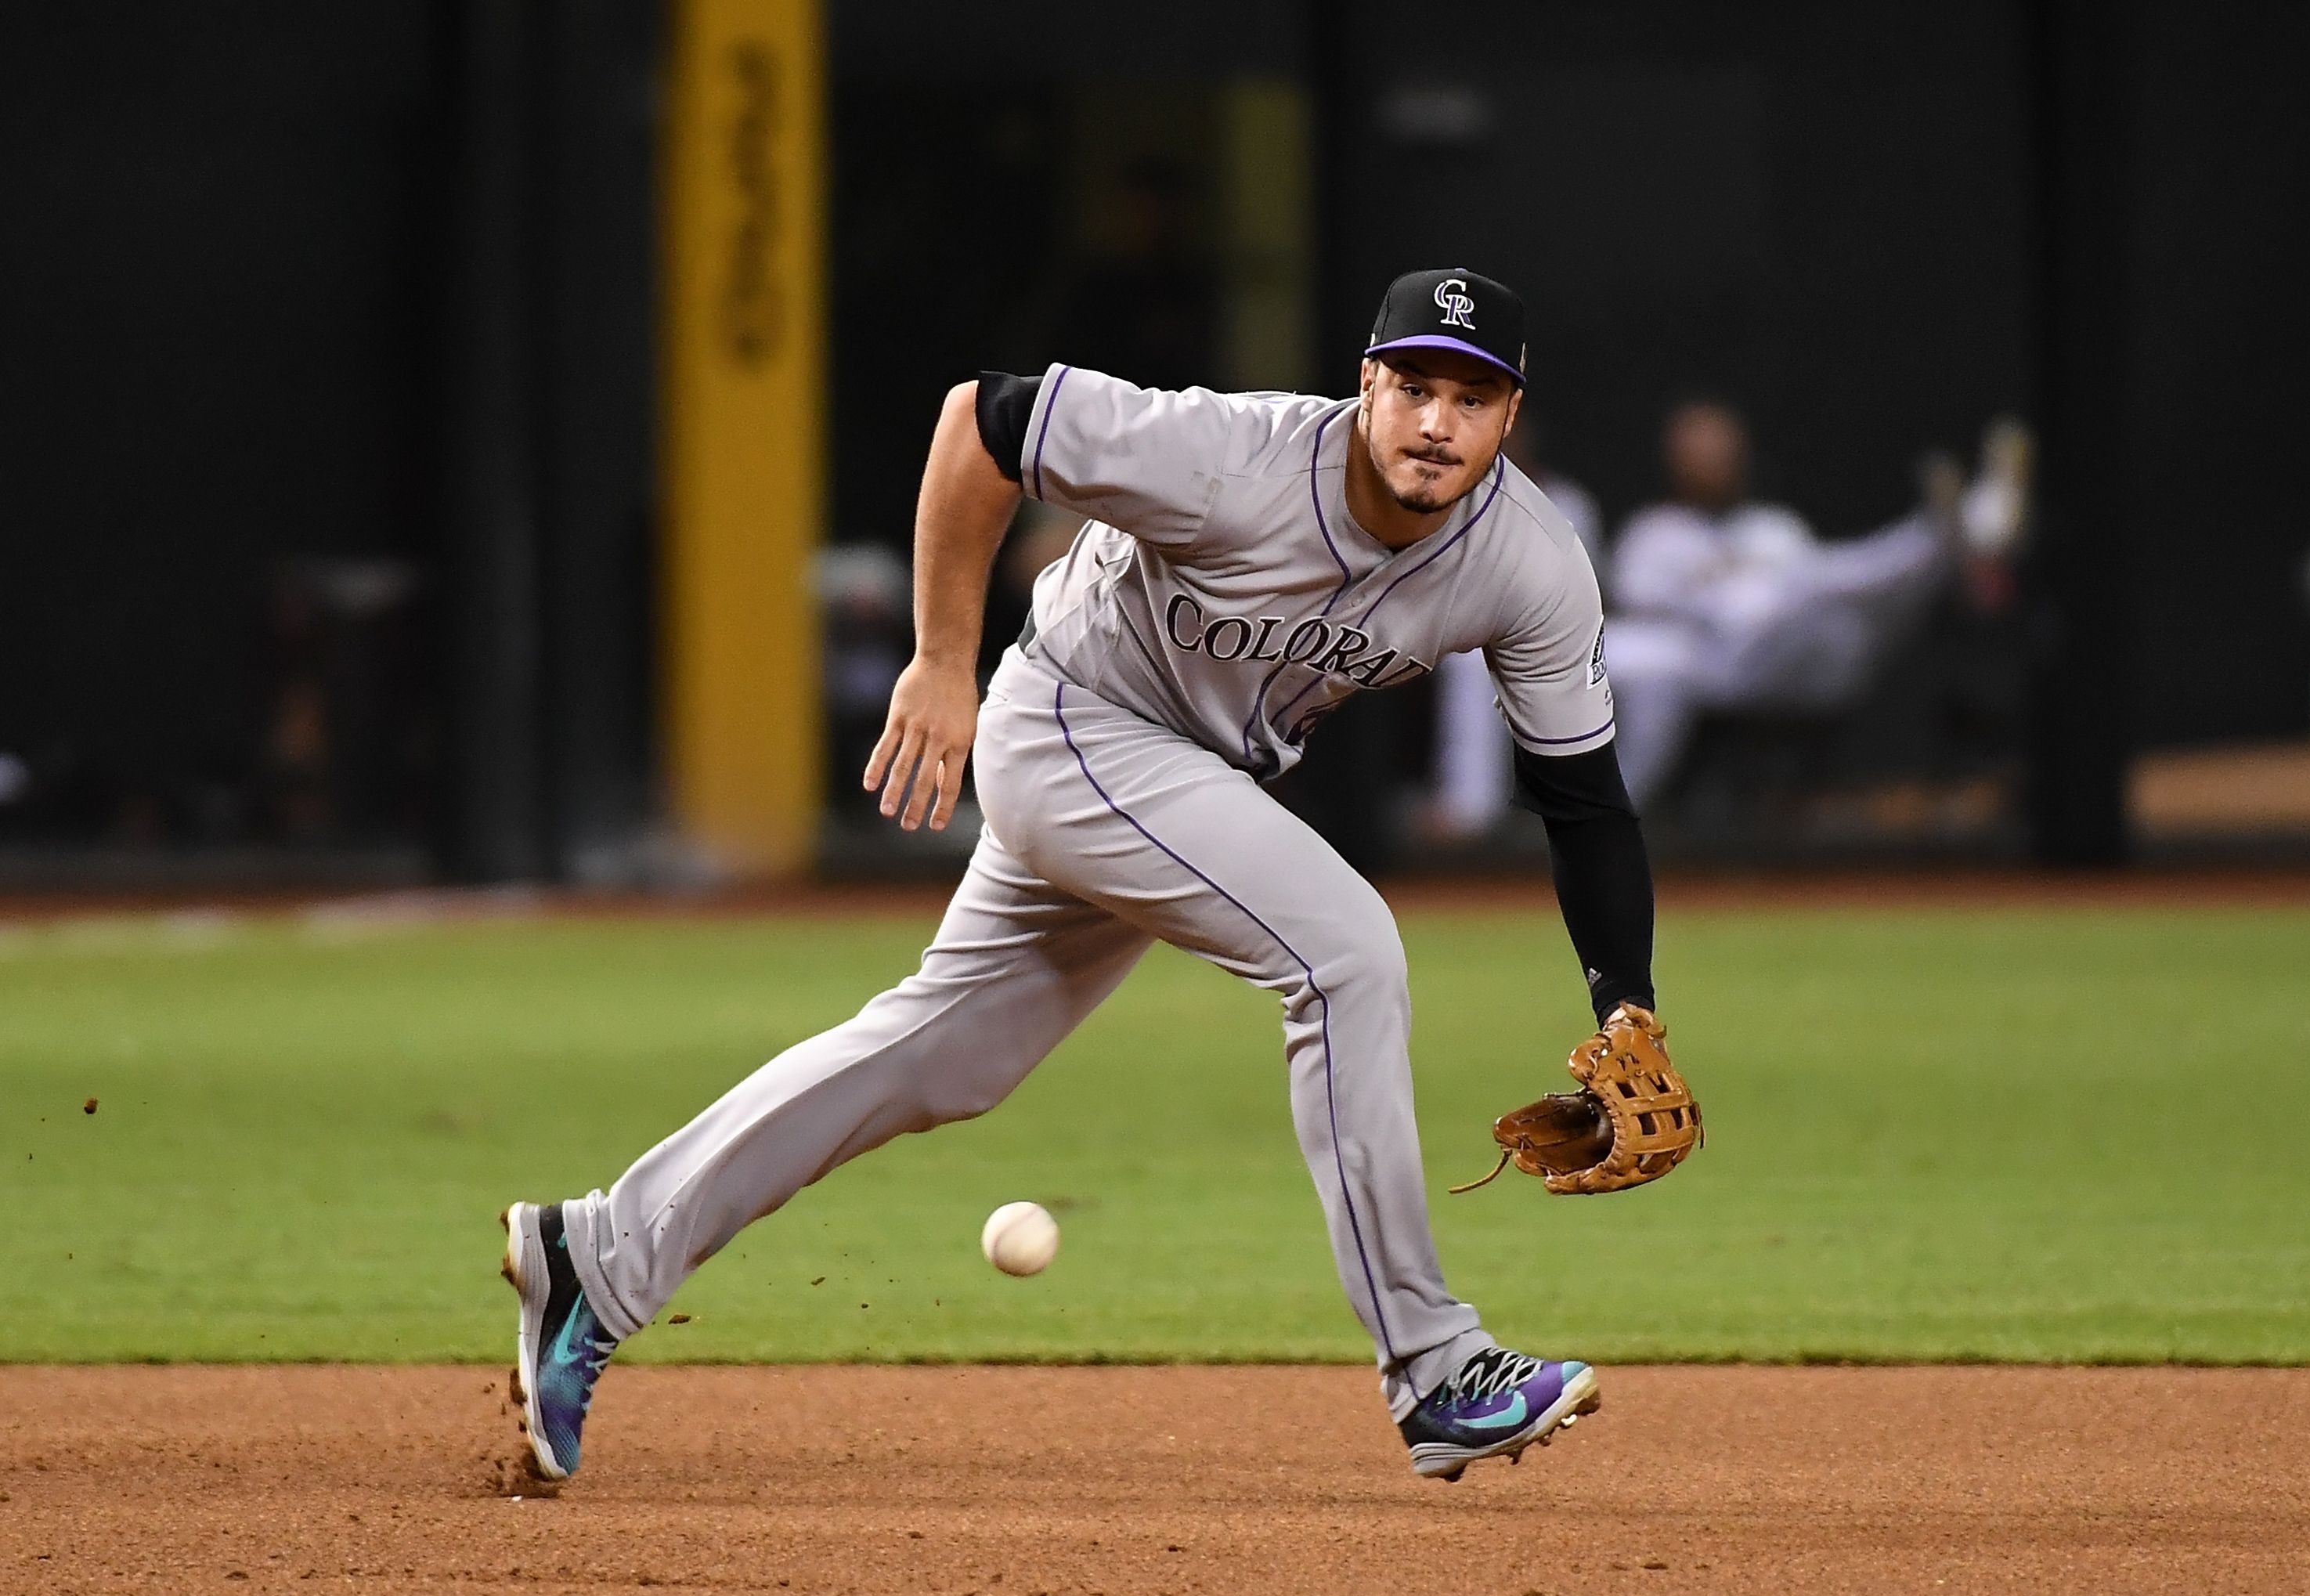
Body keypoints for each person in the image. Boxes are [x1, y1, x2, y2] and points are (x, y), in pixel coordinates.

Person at [501, 269, 1677, 1486]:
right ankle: (1435, 1366)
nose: (1438, 422)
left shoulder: (1530, 562)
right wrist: (942, 660)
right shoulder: (1230, 457)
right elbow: (985, 420)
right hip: (1072, 720)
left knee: (944, 1053)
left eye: (1472, 398)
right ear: (1366, 383)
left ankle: (600, 1253)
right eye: (1416, 386)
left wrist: (1625, 1004)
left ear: (1510, 417)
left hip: (1180, 776)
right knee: (1346, 957)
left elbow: (1583, 797)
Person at [1602, 400, 2029, 807]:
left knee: (1834, 599)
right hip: (1718, 667)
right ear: (1673, 459)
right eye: (1699, 450)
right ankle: (1966, 530)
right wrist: (1734, 597)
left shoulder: (1770, 525)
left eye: (1723, 448)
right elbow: (1639, 618)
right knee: (1820, 582)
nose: (1713, 461)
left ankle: (1956, 536)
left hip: (1807, 666)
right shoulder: (1655, 532)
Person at [1426, 409, 1604, 840]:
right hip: (1475, 634)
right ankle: (1469, 810)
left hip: (1566, 635)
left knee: (1653, 665)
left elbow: (1593, 594)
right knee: (1472, 665)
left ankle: (1601, 805)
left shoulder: (1567, 502)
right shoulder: (1449, 496)